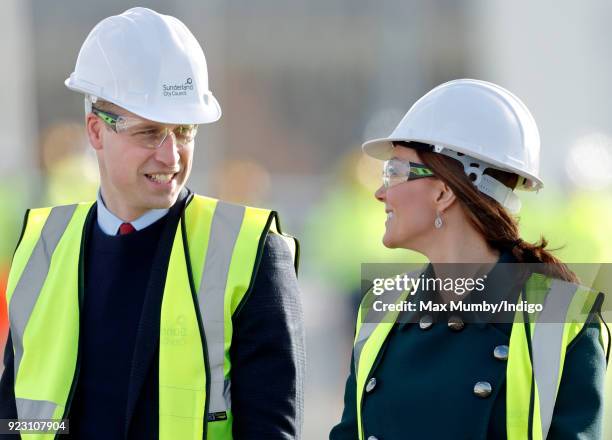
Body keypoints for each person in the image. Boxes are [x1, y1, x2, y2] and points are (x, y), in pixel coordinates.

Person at [0, 7, 304, 439]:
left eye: (184, 131)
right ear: (95, 131)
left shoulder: (250, 251)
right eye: (148, 133)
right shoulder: (41, 247)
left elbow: (271, 429)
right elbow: (16, 417)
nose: (171, 156)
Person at [330, 79, 610, 439]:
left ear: (444, 191)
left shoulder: (565, 316)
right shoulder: (379, 305)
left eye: (395, 172)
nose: (380, 192)